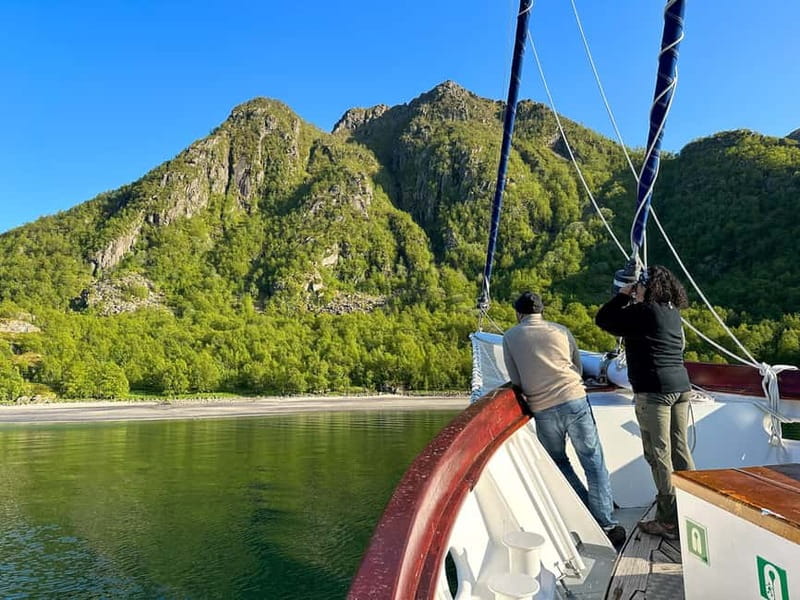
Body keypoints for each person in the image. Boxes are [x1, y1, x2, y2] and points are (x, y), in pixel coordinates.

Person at [503, 291, 625, 549]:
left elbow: (515, 380)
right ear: (541, 311)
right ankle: (606, 523)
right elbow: (577, 368)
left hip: (542, 408)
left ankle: (586, 513)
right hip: (574, 400)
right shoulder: (560, 330)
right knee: (593, 463)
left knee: (559, 462)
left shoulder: (511, 337)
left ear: (519, 313)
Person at [595, 265, 695, 540]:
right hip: (680, 386)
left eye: (639, 286)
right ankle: (692, 509)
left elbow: (604, 319)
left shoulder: (642, 313)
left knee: (659, 454)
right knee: (680, 450)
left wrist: (623, 296)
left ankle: (668, 520)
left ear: (646, 288)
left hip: (654, 390)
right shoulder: (672, 312)